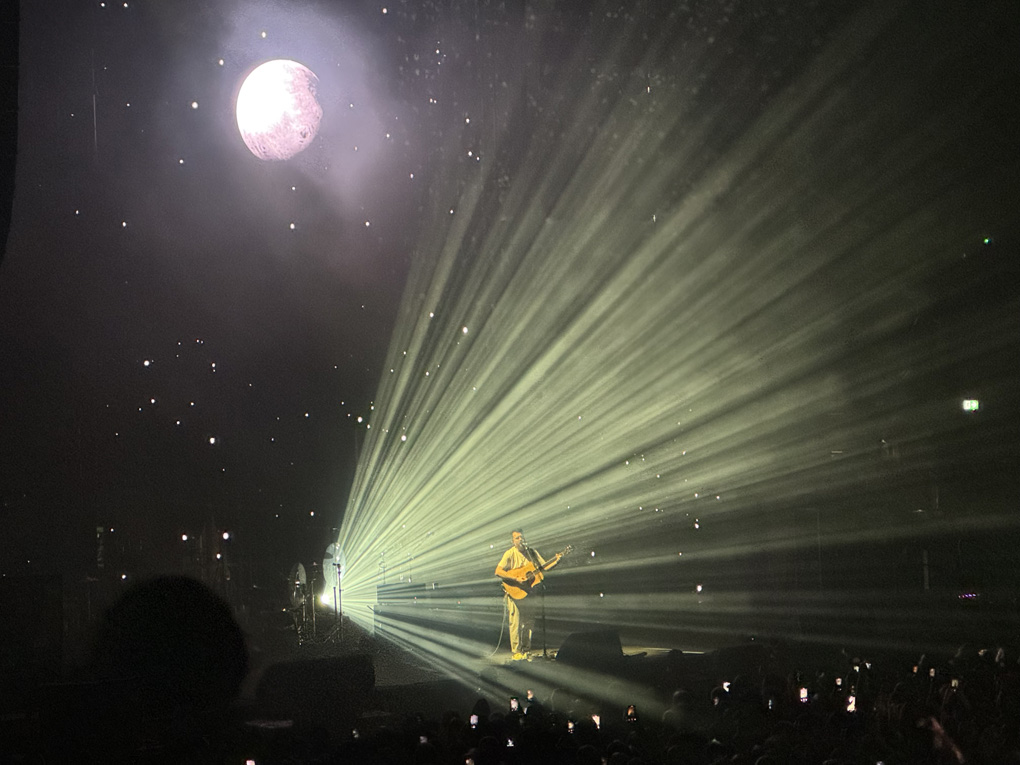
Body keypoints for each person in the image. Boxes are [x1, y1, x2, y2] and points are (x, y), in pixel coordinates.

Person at [495, 529, 562, 660]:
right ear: (513, 541)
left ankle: (526, 650)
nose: (520, 539)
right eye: (517, 538)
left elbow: (543, 567)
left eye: (521, 537)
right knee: (516, 622)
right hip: (514, 591)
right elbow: (498, 571)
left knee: (529, 621)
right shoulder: (510, 553)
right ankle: (516, 652)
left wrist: (556, 560)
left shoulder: (531, 552)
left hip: (529, 592)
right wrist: (515, 578)